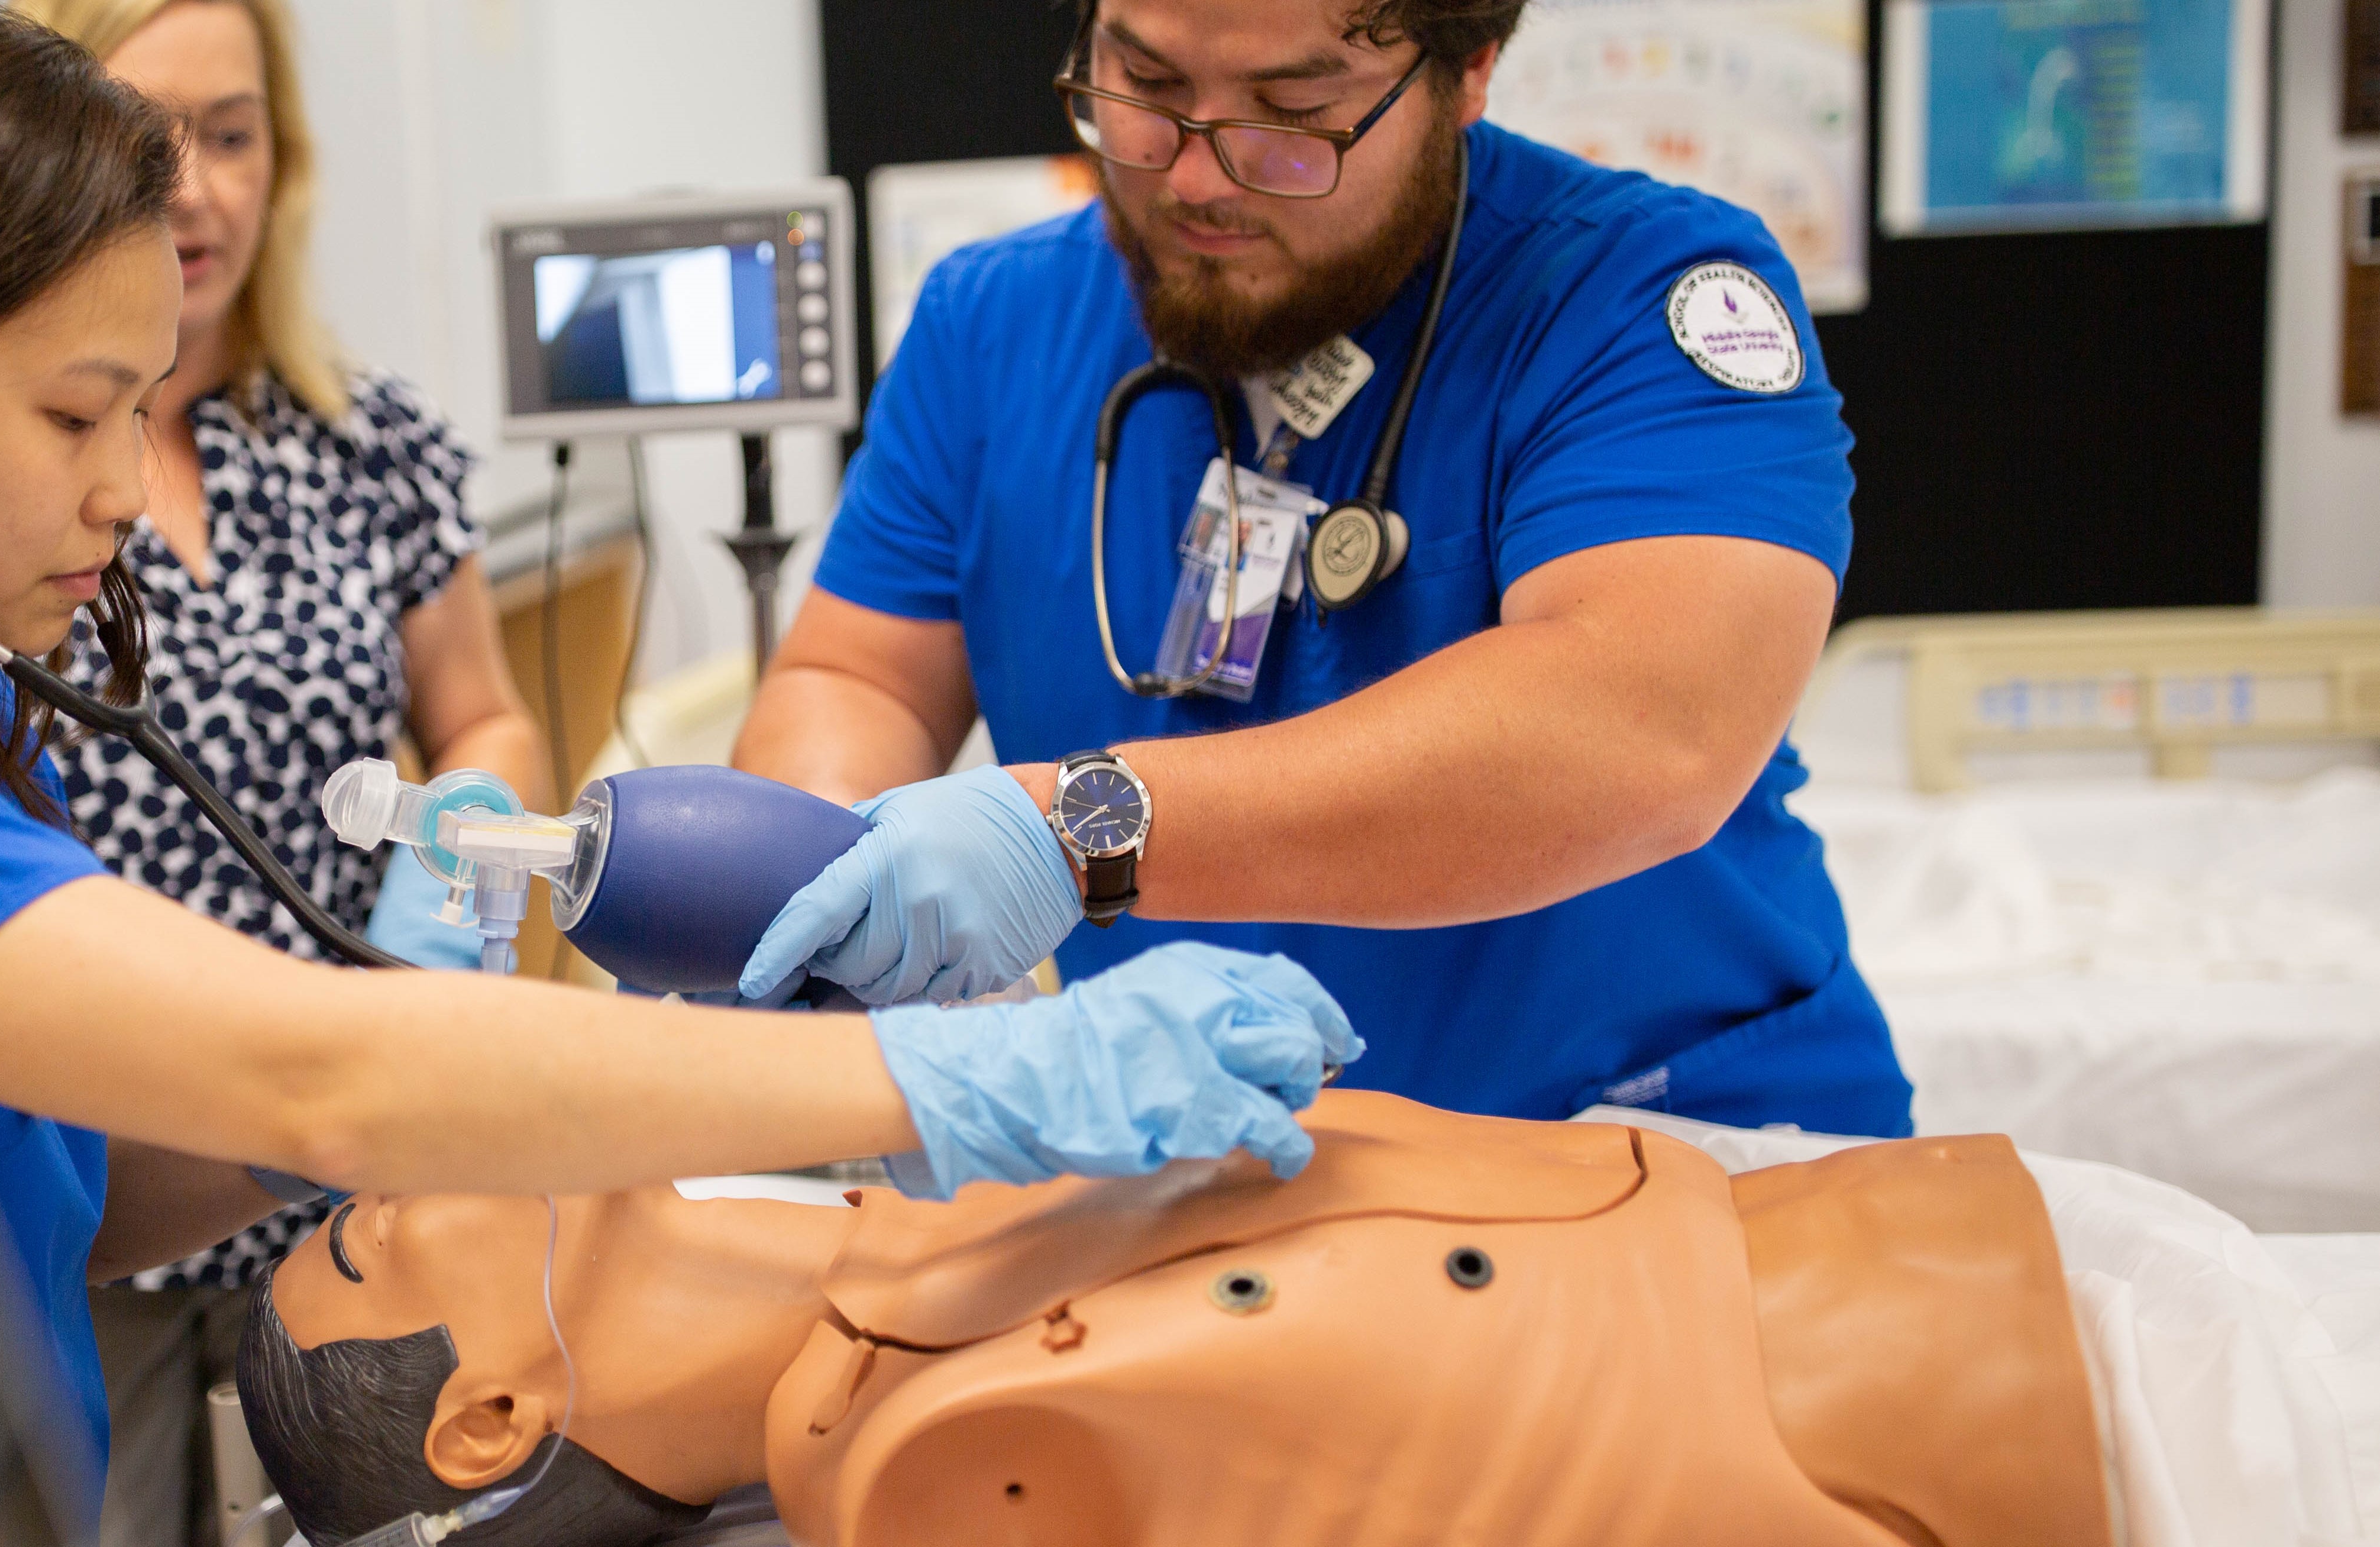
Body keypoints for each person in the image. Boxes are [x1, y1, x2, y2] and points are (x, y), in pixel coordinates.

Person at [0, 4, 1358, 1536]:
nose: (114, 491)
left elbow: (87, 1188)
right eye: (75, 414)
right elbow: (310, 1076)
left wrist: (402, 1049)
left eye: (141, 409)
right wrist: (945, 1071)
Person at [726, 0, 1906, 1137]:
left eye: (1291, 112)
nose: (1194, 176)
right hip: (1200, 1168)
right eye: (1146, 84)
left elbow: (1638, 730)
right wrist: (831, 882)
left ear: (1471, 66)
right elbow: (860, 681)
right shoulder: (990, 322)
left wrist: (1076, 830)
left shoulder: (1641, 299)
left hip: (1649, 1145)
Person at [240, 1094, 2380, 1547]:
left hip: (2028, 1277)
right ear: (486, 1413)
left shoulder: (904, 1246)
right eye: (365, 1239)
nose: (396, 1185)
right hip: (2071, 1429)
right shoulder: (917, 1461)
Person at [8, 1, 552, 1540]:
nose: (196, 188)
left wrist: (456, 863)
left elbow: (485, 722)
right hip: (89, 1212)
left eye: (234, 137)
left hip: (355, 1204)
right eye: (144, 138)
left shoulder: (358, 434)